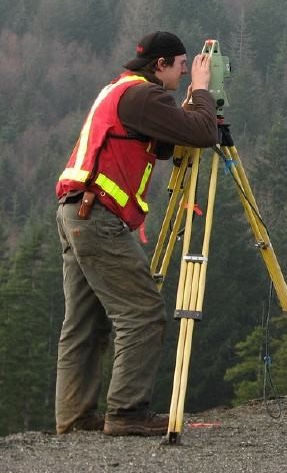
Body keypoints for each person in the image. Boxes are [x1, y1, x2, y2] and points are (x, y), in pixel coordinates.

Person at [54, 31, 218, 436]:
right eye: (181, 65)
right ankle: (127, 413)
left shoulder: (120, 90)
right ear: (159, 64)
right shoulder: (145, 96)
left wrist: (182, 110)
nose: (184, 73)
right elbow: (202, 133)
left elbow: (160, 144)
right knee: (142, 312)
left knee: (84, 324)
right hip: (97, 217)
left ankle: (75, 419)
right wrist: (202, 92)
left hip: (76, 210)